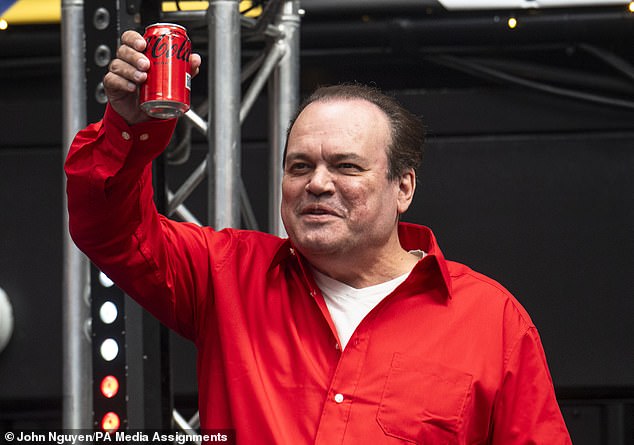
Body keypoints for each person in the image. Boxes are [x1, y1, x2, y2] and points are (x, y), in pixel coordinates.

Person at [65, 30, 572, 444]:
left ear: (404, 187)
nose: (318, 183)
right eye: (299, 166)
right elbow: (107, 227)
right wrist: (126, 127)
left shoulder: (492, 322)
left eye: (346, 166)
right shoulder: (226, 276)